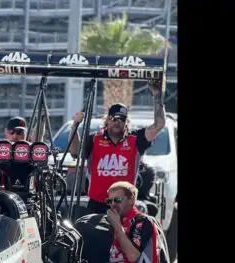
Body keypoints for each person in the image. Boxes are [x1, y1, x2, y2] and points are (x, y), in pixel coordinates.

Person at [68, 79, 166, 214]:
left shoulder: (135, 139)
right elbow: (74, 152)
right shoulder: (94, 139)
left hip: (125, 207)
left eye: (122, 119)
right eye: (114, 118)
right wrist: (75, 126)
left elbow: (159, 125)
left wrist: (157, 96)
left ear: (126, 122)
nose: (117, 122)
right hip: (97, 205)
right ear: (107, 120)